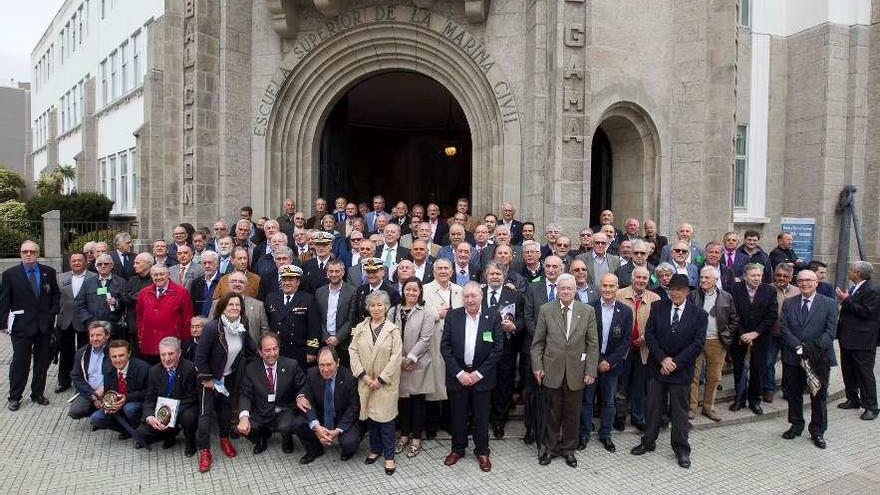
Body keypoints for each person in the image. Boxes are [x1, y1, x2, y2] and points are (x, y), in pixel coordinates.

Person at [631, 274, 707, 469]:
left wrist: (675, 362)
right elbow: (650, 334)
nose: (675, 293)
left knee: (679, 412)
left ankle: (681, 449)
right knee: (653, 408)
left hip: (681, 371)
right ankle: (648, 442)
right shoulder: (658, 307)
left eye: (680, 289)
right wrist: (663, 359)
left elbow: (697, 344)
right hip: (658, 367)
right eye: (672, 289)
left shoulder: (699, 314)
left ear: (687, 292)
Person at [531, 274, 598, 467]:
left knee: (572, 413)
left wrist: (591, 370)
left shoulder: (587, 311)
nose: (566, 292)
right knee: (552, 413)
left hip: (577, 371)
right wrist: (537, 366)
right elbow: (538, 343)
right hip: (552, 370)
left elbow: (593, 344)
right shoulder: (546, 310)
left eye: (570, 288)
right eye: (563, 288)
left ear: (576, 290)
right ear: (557, 290)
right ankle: (550, 448)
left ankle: (569, 449)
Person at [441, 282, 502, 473]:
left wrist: (477, 374)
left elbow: (497, 349)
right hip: (458, 376)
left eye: (474, 296)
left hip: (482, 377)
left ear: (481, 296)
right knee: (457, 416)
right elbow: (445, 347)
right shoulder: (453, 315)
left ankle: (482, 451)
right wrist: (459, 373)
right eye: (466, 296)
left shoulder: (492, 316)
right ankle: (457, 449)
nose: (470, 299)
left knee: (481, 417)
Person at [195, 293, 257, 472]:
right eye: (231, 304)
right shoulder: (212, 328)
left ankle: (224, 439)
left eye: (238, 305)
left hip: (229, 377)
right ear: (222, 307)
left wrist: (264, 355)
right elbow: (200, 356)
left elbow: (250, 346)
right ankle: (205, 451)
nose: (235, 308)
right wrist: (206, 379)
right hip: (209, 379)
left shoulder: (241, 326)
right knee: (205, 415)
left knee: (225, 411)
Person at [779, 270, 837, 449]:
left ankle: (817, 430)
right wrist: (797, 346)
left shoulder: (829, 303)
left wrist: (810, 349)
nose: (804, 283)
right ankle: (796, 424)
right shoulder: (789, 303)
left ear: (816, 282)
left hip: (818, 358)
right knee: (793, 393)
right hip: (793, 357)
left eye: (809, 280)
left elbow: (830, 331)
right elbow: (784, 327)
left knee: (818, 396)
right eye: (801, 280)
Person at [1, 240, 61, 411]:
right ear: (20, 253)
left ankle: (37, 393)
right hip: (21, 327)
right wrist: (3, 323)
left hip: (44, 326)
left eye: (32, 251)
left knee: (42, 362)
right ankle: (14, 397)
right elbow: (4, 300)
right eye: (25, 251)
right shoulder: (10, 274)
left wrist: (52, 312)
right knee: (20, 362)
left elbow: (55, 294)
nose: (28, 254)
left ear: (37, 253)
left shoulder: (48, 272)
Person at [349, 290, 402, 475]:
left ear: (386, 307)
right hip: (365, 381)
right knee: (371, 419)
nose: (377, 308)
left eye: (380, 305)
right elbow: (352, 351)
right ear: (368, 308)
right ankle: (375, 449)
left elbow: (396, 358)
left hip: (384, 384)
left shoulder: (393, 330)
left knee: (386, 422)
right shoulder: (361, 327)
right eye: (373, 305)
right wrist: (363, 376)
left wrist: (380, 379)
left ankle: (389, 457)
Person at [580, 274, 632, 452]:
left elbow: (626, 341)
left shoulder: (625, 312)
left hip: (612, 365)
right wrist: (597, 361)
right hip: (591, 362)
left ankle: (606, 435)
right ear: (599, 287)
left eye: (612, 286)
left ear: (617, 287)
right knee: (587, 400)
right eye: (605, 286)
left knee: (609, 402)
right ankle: (584, 434)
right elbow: (584, 338)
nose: (608, 289)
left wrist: (609, 362)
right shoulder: (589, 308)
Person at [388, 277, 436, 457]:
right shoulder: (393, 311)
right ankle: (404, 435)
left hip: (418, 364)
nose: (411, 293)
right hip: (398, 364)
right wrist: (399, 359)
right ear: (403, 290)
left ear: (420, 292)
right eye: (408, 289)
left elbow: (425, 339)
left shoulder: (427, 312)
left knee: (417, 403)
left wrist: (410, 358)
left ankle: (416, 438)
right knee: (403, 402)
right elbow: (390, 337)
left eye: (415, 290)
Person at [238, 332, 306, 455]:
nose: (272, 354)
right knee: (244, 428)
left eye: (275, 349)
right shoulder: (250, 369)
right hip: (261, 410)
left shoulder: (291, 365)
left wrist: (301, 397)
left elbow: (303, 386)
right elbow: (245, 394)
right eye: (267, 350)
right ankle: (262, 437)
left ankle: (287, 438)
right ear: (260, 352)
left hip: (284, 409)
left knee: (287, 425)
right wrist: (243, 417)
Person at [294, 346, 364, 464]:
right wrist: (317, 427)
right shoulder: (312, 373)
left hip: (342, 418)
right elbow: (306, 397)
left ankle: (346, 450)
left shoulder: (349, 377)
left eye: (329, 364)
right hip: (322, 417)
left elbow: (353, 408)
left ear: (337, 363)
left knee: (349, 443)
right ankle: (315, 450)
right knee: (297, 423)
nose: (325, 369)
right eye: (321, 365)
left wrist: (337, 431)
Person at [688, 266, 738, 421]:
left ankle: (709, 407)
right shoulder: (693, 295)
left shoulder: (726, 297)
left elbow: (734, 319)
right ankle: (691, 408)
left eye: (707, 278)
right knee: (693, 376)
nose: (703, 280)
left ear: (716, 280)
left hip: (717, 341)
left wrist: (726, 335)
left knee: (714, 377)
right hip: (696, 341)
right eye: (701, 277)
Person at [135, 336, 199, 455]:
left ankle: (191, 443)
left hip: (183, 407)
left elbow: (192, 397)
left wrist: (171, 413)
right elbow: (150, 398)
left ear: (179, 353)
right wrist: (149, 417)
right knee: (141, 433)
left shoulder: (189, 368)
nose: (167, 358)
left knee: (189, 418)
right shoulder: (154, 371)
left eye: (171, 354)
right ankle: (169, 435)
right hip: (162, 410)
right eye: (163, 354)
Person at [482, 262, 524, 438]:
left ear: (504, 276)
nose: (495, 277)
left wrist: (513, 326)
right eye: (492, 274)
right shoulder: (478, 294)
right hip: (482, 348)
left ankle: (499, 421)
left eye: (498, 274)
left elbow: (522, 319)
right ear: (486, 275)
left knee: (504, 385)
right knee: (483, 384)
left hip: (506, 348)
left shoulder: (514, 295)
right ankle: (482, 419)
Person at [615, 266, 660, 431]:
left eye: (644, 278)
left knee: (639, 386)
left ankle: (638, 417)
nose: (641, 281)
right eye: (638, 277)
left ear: (648, 280)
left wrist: (646, 338)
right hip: (623, 349)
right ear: (632, 278)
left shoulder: (655, 298)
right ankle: (619, 417)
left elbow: (658, 325)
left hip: (644, 350)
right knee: (621, 385)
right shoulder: (619, 294)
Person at [422, 258, 463, 438]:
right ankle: (432, 424)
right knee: (433, 382)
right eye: (439, 268)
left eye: (447, 268)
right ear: (434, 271)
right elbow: (419, 313)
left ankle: (449, 421)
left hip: (454, 343)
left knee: (451, 381)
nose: (443, 271)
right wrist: (437, 314)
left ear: (452, 272)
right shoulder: (425, 290)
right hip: (433, 341)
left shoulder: (459, 290)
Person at [729, 263, 777, 414]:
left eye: (759, 276)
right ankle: (740, 399)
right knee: (739, 368)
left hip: (761, 337)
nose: (757, 278)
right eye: (753, 276)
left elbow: (772, 315)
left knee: (758, 369)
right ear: (745, 276)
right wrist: (743, 334)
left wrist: (755, 333)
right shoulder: (735, 289)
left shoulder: (769, 290)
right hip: (739, 336)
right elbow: (733, 313)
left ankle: (755, 400)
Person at [835, 261, 880, 420]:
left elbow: (868, 312)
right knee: (848, 370)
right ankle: (853, 399)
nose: (849, 272)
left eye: (851, 270)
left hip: (863, 339)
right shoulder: (855, 287)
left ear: (858, 273)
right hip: (847, 337)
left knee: (864, 373)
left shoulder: (872, 289)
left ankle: (871, 407)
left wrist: (846, 300)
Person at [90, 340, 150, 445]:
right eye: (114, 356)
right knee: (96, 418)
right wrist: (106, 403)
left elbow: (149, 393)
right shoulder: (107, 368)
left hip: (137, 403)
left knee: (130, 409)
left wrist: (126, 398)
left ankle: (142, 431)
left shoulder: (143, 368)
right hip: (117, 404)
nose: (118, 360)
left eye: (121, 355)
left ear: (129, 354)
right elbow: (109, 390)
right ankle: (128, 431)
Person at [55, 252, 97, 393]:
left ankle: (83, 383)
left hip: (85, 320)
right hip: (65, 320)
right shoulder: (61, 278)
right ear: (70, 262)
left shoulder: (94, 277)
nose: (77, 263)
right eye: (74, 260)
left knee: (84, 352)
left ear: (85, 262)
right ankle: (64, 381)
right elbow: (56, 298)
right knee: (65, 352)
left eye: (80, 260)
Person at [264, 265, 320, 368]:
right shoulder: (271, 298)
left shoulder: (308, 299)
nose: (287, 283)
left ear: (298, 282)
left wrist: (312, 351)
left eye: (291, 280)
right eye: (284, 279)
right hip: (277, 350)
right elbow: (266, 324)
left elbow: (314, 327)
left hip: (299, 350)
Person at [136, 265, 193, 365]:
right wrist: (141, 336)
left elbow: (187, 319)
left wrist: (184, 341)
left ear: (168, 275)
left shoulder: (182, 292)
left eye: (162, 274)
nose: (158, 277)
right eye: (155, 275)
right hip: (149, 343)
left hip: (171, 343)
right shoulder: (143, 293)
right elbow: (140, 317)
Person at [68, 321, 113, 420]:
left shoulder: (114, 351)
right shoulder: (82, 352)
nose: (95, 339)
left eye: (98, 335)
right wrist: (93, 396)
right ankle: (95, 409)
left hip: (109, 390)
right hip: (90, 392)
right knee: (75, 411)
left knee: (103, 417)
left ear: (107, 335)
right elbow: (76, 376)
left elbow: (118, 375)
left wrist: (103, 390)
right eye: (92, 335)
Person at [315, 259, 357, 363]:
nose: (334, 274)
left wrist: (338, 338)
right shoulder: (320, 292)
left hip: (343, 343)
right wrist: (325, 337)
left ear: (343, 272)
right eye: (331, 271)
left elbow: (351, 319)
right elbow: (317, 318)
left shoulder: (352, 291)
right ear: (327, 273)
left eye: (337, 271)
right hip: (323, 342)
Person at [76, 254, 127, 337]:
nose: (103, 266)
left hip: (113, 327)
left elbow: (126, 302)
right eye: (99, 264)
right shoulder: (88, 283)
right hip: (92, 327)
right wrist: (89, 320)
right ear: (96, 266)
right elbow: (80, 304)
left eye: (106, 264)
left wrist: (116, 302)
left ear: (112, 265)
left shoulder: (121, 282)